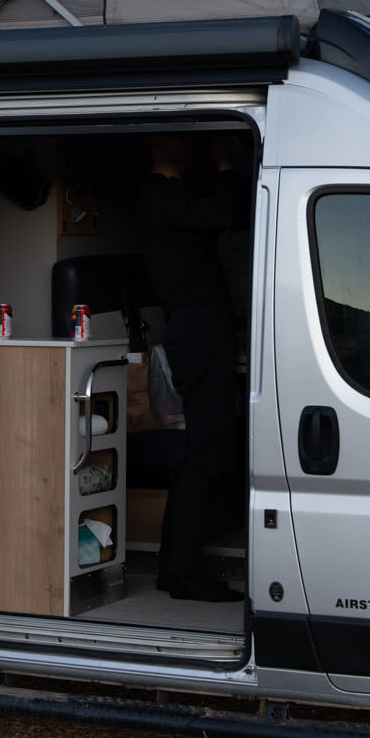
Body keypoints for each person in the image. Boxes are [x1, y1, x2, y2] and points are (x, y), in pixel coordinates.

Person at [137, 133, 249, 604]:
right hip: (199, 331)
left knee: (198, 452)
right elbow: (228, 212)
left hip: (197, 328)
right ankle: (185, 573)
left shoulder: (165, 198)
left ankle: (172, 568)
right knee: (210, 450)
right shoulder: (163, 196)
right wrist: (225, 164)